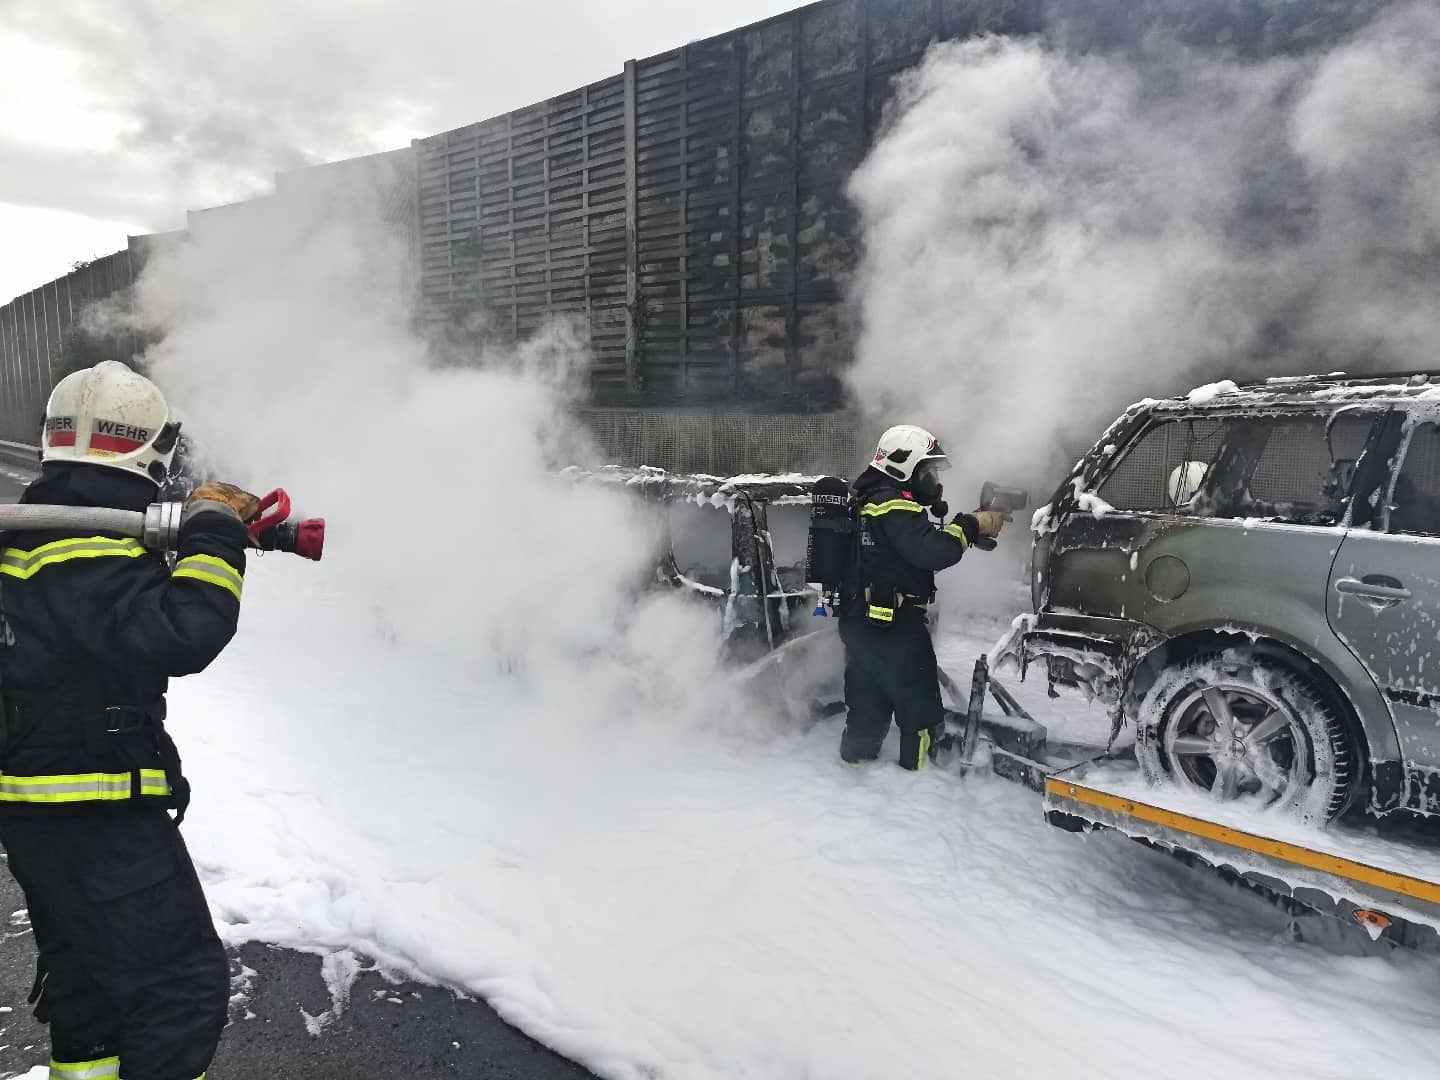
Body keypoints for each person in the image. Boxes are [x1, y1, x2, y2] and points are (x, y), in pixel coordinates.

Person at [0, 361, 259, 1080]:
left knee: (90, 983)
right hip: (95, 810)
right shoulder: (83, 553)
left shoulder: (34, 539)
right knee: (181, 989)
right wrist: (214, 533)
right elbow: (184, 632)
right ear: (153, 447)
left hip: (42, 808)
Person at [839, 424, 1004, 769]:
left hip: (862, 620)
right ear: (903, 466)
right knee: (919, 707)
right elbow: (932, 552)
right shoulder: (894, 506)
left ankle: (854, 772)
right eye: (926, 470)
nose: (932, 479)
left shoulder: (869, 501)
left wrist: (965, 528)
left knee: (868, 700)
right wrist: (971, 526)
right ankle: (917, 783)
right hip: (896, 627)